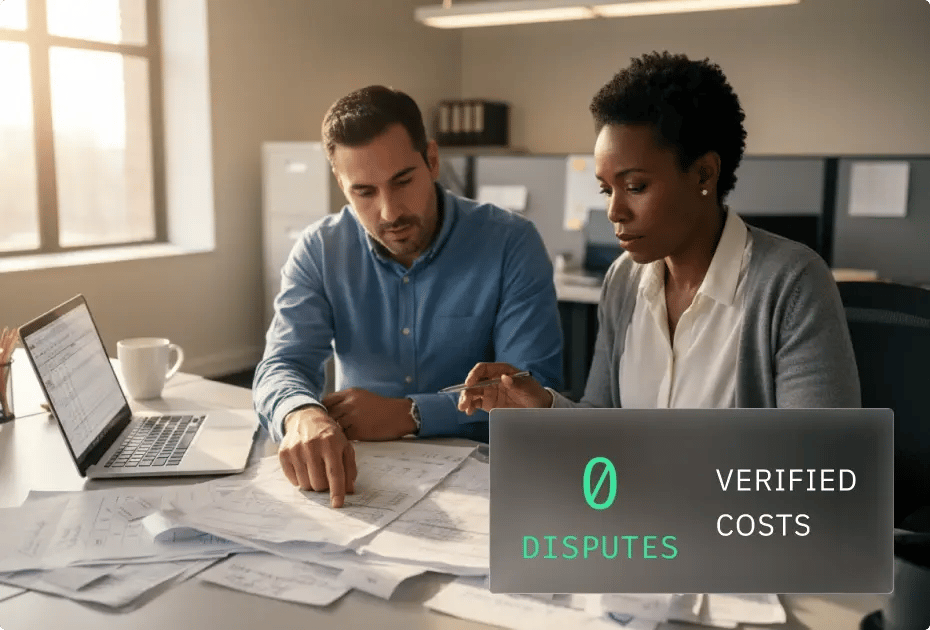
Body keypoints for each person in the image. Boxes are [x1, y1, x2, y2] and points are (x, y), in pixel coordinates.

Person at [458, 51, 860, 415]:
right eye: (606, 189)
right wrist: (543, 406)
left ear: (704, 173)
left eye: (635, 187)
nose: (614, 211)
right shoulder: (624, 280)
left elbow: (817, 467)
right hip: (635, 497)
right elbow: (604, 419)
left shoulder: (792, 284)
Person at [254, 85, 563, 507]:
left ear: (432, 160)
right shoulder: (319, 250)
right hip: (365, 482)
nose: (389, 212)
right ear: (341, 185)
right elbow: (282, 363)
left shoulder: (511, 243)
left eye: (402, 182)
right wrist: (300, 414)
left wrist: (410, 414)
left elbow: (531, 391)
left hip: (487, 482)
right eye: (364, 192)